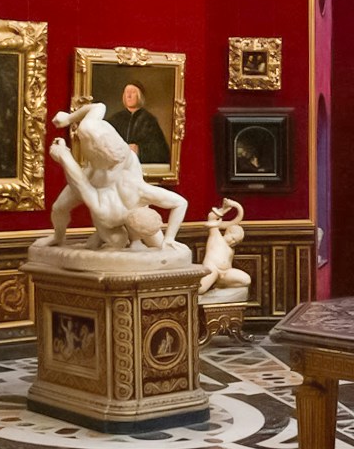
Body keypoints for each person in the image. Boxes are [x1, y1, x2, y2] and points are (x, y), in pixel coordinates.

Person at [43, 103, 187, 251]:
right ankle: (58, 237)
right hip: (97, 178)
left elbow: (81, 183)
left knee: (128, 238)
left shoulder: (110, 207)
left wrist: (64, 156)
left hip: (99, 189)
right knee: (59, 208)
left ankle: (109, 237)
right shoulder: (90, 128)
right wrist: (69, 118)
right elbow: (99, 107)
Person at [107, 82, 170, 165]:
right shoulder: (115, 119)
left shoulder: (149, 120)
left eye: (133, 92)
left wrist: (139, 150)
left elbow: (161, 152)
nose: (129, 96)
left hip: (141, 167)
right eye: (127, 92)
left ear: (140, 96)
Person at [199, 199, 251, 294]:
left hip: (225, 272)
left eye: (236, 241)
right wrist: (224, 209)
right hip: (213, 269)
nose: (233, 242)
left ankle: (220, 286)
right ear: (227, 233)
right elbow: (211, 217)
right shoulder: (216, 236)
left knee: (246, 280)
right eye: (233, 238)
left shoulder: (231, 249)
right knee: (201, 289)